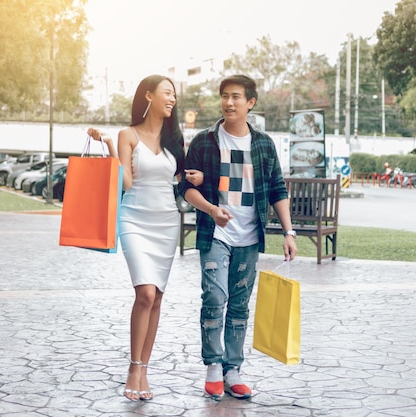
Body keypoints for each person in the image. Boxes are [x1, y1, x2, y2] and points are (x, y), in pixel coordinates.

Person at [178, 74, 298, 400]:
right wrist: (211, 209)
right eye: (224, 96)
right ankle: (213, 366)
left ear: (250, 103)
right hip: (215, 232)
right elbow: (186, 189)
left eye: (236, 97)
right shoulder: (205, 141)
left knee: (240, 305)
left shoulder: (262, 144)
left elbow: (277, 189)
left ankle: (233, 370)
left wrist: (288, 232)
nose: (229, 103)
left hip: (249, 236)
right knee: (215, 297)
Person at [87, 74, 185, 402]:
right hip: (135, 219)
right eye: (166, 93)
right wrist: (111, 147)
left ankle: (144, 368)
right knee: (144, 292)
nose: (172, 99)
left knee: (156, 297)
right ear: (148, 96)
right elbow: (127, 182)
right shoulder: (127, 134)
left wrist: (191, 176)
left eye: (174, 95)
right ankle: (133, 367)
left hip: (166, 221)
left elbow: (179, 177)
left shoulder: (176, 139)